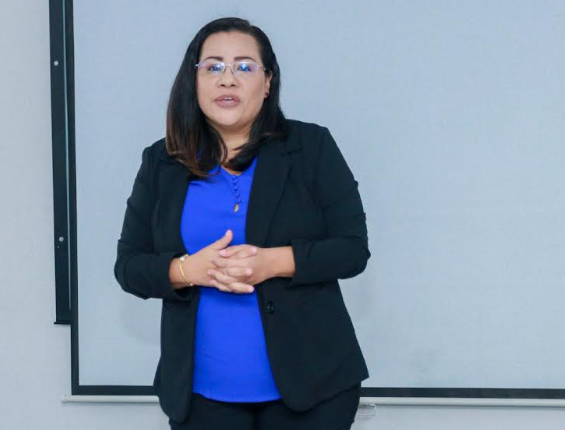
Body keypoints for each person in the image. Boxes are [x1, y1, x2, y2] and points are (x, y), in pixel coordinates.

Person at [114, 16, 371, 430]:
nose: (227, 78)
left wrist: (272, 262)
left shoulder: (311, 147)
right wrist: (188, 270)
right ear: (194, 80)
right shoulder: (161, 161)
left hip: (312, 390)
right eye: (213, 66)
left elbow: (352, 249)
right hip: (200, 398)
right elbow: (129, 266)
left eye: (245, 67)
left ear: (267, 82)